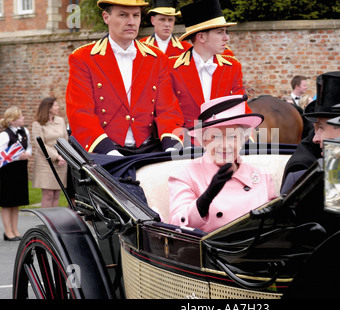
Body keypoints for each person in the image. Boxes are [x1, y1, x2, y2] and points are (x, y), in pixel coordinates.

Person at [66, 0, 184, 156]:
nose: (131, 22)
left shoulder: (157, 58)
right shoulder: (83, 58)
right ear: (106, 17)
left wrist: (172, 147)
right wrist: (108, 151)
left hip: (149, 148)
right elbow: (80, 113)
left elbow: (168, 110)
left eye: (136, 15)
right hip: (103, 149)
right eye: (123, 15)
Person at [168, 95, 276, 233]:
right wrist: (204, 201)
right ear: (204, 140)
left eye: (233, 136)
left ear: (243, 139)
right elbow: (175, 224)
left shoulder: (262, 176)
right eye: (215, 136)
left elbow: (275, 222)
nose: (225, 145)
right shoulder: (185, 175)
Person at [169, 0, 251, 133]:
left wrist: (246, 135)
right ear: (201, 37)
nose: (226, 38)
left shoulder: (232, 66)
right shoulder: (171, 68)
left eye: (226, 32)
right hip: (186, 144)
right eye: (220, 32)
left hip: (224, 141)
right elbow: (168, 114)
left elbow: (241, 107)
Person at [0, 106, 32, 241]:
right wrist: (17, 157)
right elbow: (1, 155)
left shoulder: (25, 131)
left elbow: (29, 146)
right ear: (12, 121)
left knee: (16, 202)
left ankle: (15, 229)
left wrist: (27, 154)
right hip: (7, 172)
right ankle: (8, 231)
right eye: (20, 117)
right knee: (7, 203)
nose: (23, 118)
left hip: (20, 170)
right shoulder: (4, 135)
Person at [31, 97, 68, 208]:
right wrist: (57, 156)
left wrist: (64, 156)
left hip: (61, 162)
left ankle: (54, 222)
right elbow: (40, 145)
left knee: (57, 195)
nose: (58, 108)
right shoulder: (37, 124)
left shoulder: (60, 121)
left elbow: (66, 140)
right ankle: (46, 223)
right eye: (55, 105)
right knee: (48, 195)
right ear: (48, 108)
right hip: (46, 163)